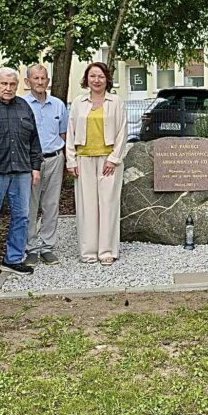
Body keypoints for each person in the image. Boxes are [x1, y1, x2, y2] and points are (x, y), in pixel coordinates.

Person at [0, 68, 43, 276]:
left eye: (12, 84)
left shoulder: (23, 106)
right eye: (4, 84)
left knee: (22, 216)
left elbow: (34, 139)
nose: (8, 88)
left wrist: (35, 166)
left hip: (21, 170)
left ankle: (13, 259)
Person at [65, 62, 127, 265]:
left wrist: (114, 158)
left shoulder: (115, 101)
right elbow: (70, 132)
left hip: (108, 161)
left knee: (108, 205)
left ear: (107, 78)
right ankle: (89, 251)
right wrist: (71, 160)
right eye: (92, 76)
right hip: (83, 160)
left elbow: (122, 133)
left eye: (100, 76)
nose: (96, 80)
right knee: (87, 206)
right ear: (86, 79)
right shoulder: (78, 102)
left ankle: (106, 251)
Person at [23, 64, 69, 266]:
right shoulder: (21, 105)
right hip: (31, 162)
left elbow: (64, 134)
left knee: (51, 205)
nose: (40, 82)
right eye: (35, 78)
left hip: (54, 159)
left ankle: (47, 246)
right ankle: (31, 247)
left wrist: (66, 159)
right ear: (28, 81)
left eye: (43, 79)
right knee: (30, 206)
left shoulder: (58, 105)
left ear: (48, 81)